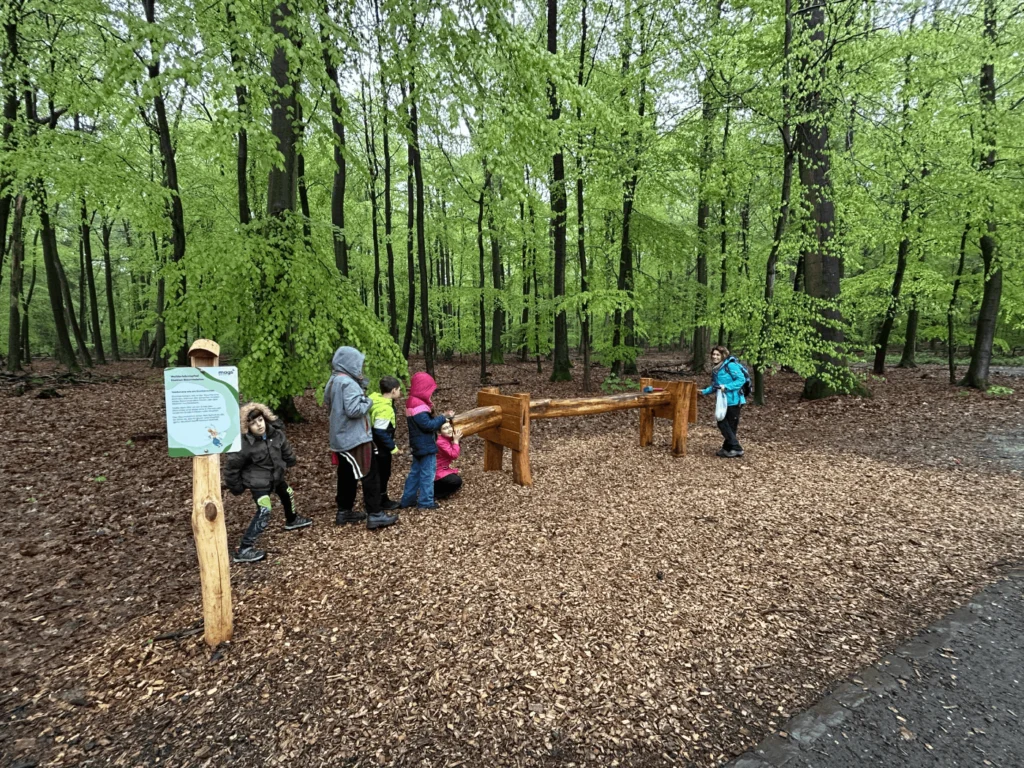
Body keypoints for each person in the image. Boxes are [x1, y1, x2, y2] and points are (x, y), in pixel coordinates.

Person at [224, 403, 311, 564]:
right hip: (259, 482)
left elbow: (285, 448)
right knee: (265, 509)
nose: (259, 425)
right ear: (246, 426)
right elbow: (232, 467)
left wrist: (290, 460)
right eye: (253, 423)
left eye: (260, 420)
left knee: (287, 493)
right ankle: (245, 548)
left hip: (276, 476)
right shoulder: (243, 445)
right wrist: (236, 487)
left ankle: (292, 520)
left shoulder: (275, 434)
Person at [324, 346, 398, 530]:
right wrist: (368, 401)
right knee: (370, 473)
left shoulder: (334, 380)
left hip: (340, 436)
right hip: (354, 437)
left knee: (347, 474)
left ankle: (344, 511)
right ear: (349, 363)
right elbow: (355, 409)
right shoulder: (347, 383)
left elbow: (329, 403)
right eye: (358, 364)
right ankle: (375, 514)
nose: (360, 367)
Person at [398, 372, 454, 510]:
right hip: (425, 445)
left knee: (415, 472)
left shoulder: (413, 401)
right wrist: (443, 417)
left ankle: (408, 499)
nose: (430, 394)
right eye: (429, 390)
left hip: (418, 444)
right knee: (427, 473)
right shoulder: (418, 405)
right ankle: (426, 501)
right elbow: (428, 425)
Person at [700, 345, 747, 458]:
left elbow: (741, 380)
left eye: (717, 355)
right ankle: (727, 448)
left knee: (724, 423)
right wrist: (703, 392)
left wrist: (726, 387)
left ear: (723, 355)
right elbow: (715, 386)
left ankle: (736, 448)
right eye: (714, 354)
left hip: (734, 400)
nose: (715, 357)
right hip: (724, 400)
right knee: (728, 425)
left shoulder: (730, 365)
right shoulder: (717, 369)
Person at [369, 375, 403, 510]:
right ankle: (380, 501)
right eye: (399, 390)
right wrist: (393, 448)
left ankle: (381, 498)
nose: (400, 392)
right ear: (393, 390)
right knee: (382, 473)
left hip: (376, 445)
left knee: (381, 473)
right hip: (380, 448)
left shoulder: (376, 401)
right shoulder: (385, 408)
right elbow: (380, 431)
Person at [434, 421, 463, 500]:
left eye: (449, 427)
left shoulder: (445, 438)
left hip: (442, 468)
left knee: (455, 479)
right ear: (439, 432)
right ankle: (436, 494)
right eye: (445, 428)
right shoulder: (440, 442)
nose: (449, 430)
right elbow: (453, 455)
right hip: (437, 470)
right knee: (457, 481)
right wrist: (456, 441)